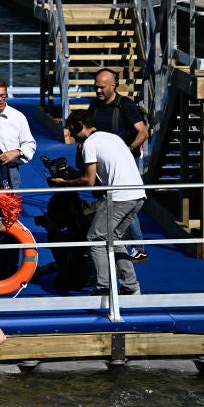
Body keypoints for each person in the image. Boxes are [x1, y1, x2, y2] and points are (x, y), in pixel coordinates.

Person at [48, 109, 144, 295]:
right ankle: (131, 286)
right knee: (114, 238)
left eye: (72, 130)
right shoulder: (112, 137)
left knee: (95, 239)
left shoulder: (89, 144)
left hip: (119, 197)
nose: (72, 136)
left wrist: (65, 182)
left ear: (79, 126)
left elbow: (89, 180)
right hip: (138, 194)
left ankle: (104, 288)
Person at [88, 68, 148, 262]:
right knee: (107, 200)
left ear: (113, 86)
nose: (98, 91)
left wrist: (128, 149)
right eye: (96, 87)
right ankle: (113, 239)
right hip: (103, 162)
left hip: (124, 162)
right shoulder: (94, 106)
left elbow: (143, 132)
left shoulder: (126, 106)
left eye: (102, 87)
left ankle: (138, 247)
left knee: (125, 198)